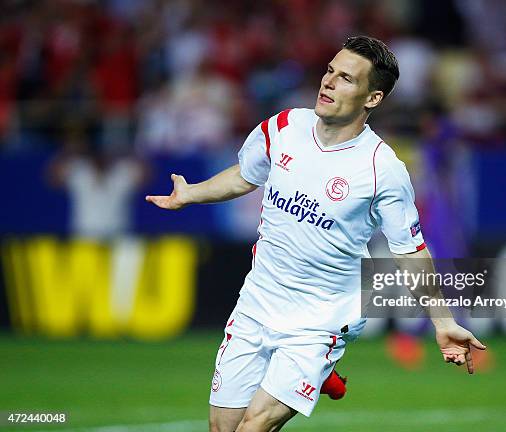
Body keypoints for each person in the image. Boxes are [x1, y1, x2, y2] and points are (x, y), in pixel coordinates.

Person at [146, 36, 486, 432]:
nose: (328, 82)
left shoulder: (383, 169)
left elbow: (411, 252)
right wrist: (192, 194)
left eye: (346, 78)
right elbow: (244, 176)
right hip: (258, 302)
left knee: (253, 427)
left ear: (372, 99)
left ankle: (316, 361)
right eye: (329, 71)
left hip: (321, 317)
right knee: (223, 427)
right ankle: (320, 376)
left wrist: (442, 321)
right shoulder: (284, 126)